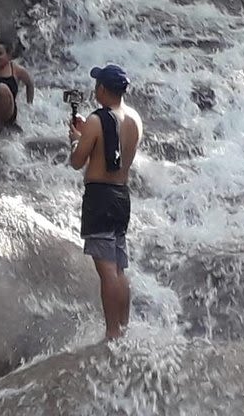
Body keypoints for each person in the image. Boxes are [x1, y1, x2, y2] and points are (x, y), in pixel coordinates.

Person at [68, 64, 143, 340]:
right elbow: (114, 150)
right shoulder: (134, 118)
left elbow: (78, 162)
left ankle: (111, 333)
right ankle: (122, 329)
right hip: (122, 195)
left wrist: (76, 141)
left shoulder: (97, 120)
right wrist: (84, 136)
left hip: (99, 196)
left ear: (101, 89)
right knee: (119, 267)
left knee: (106, 269)